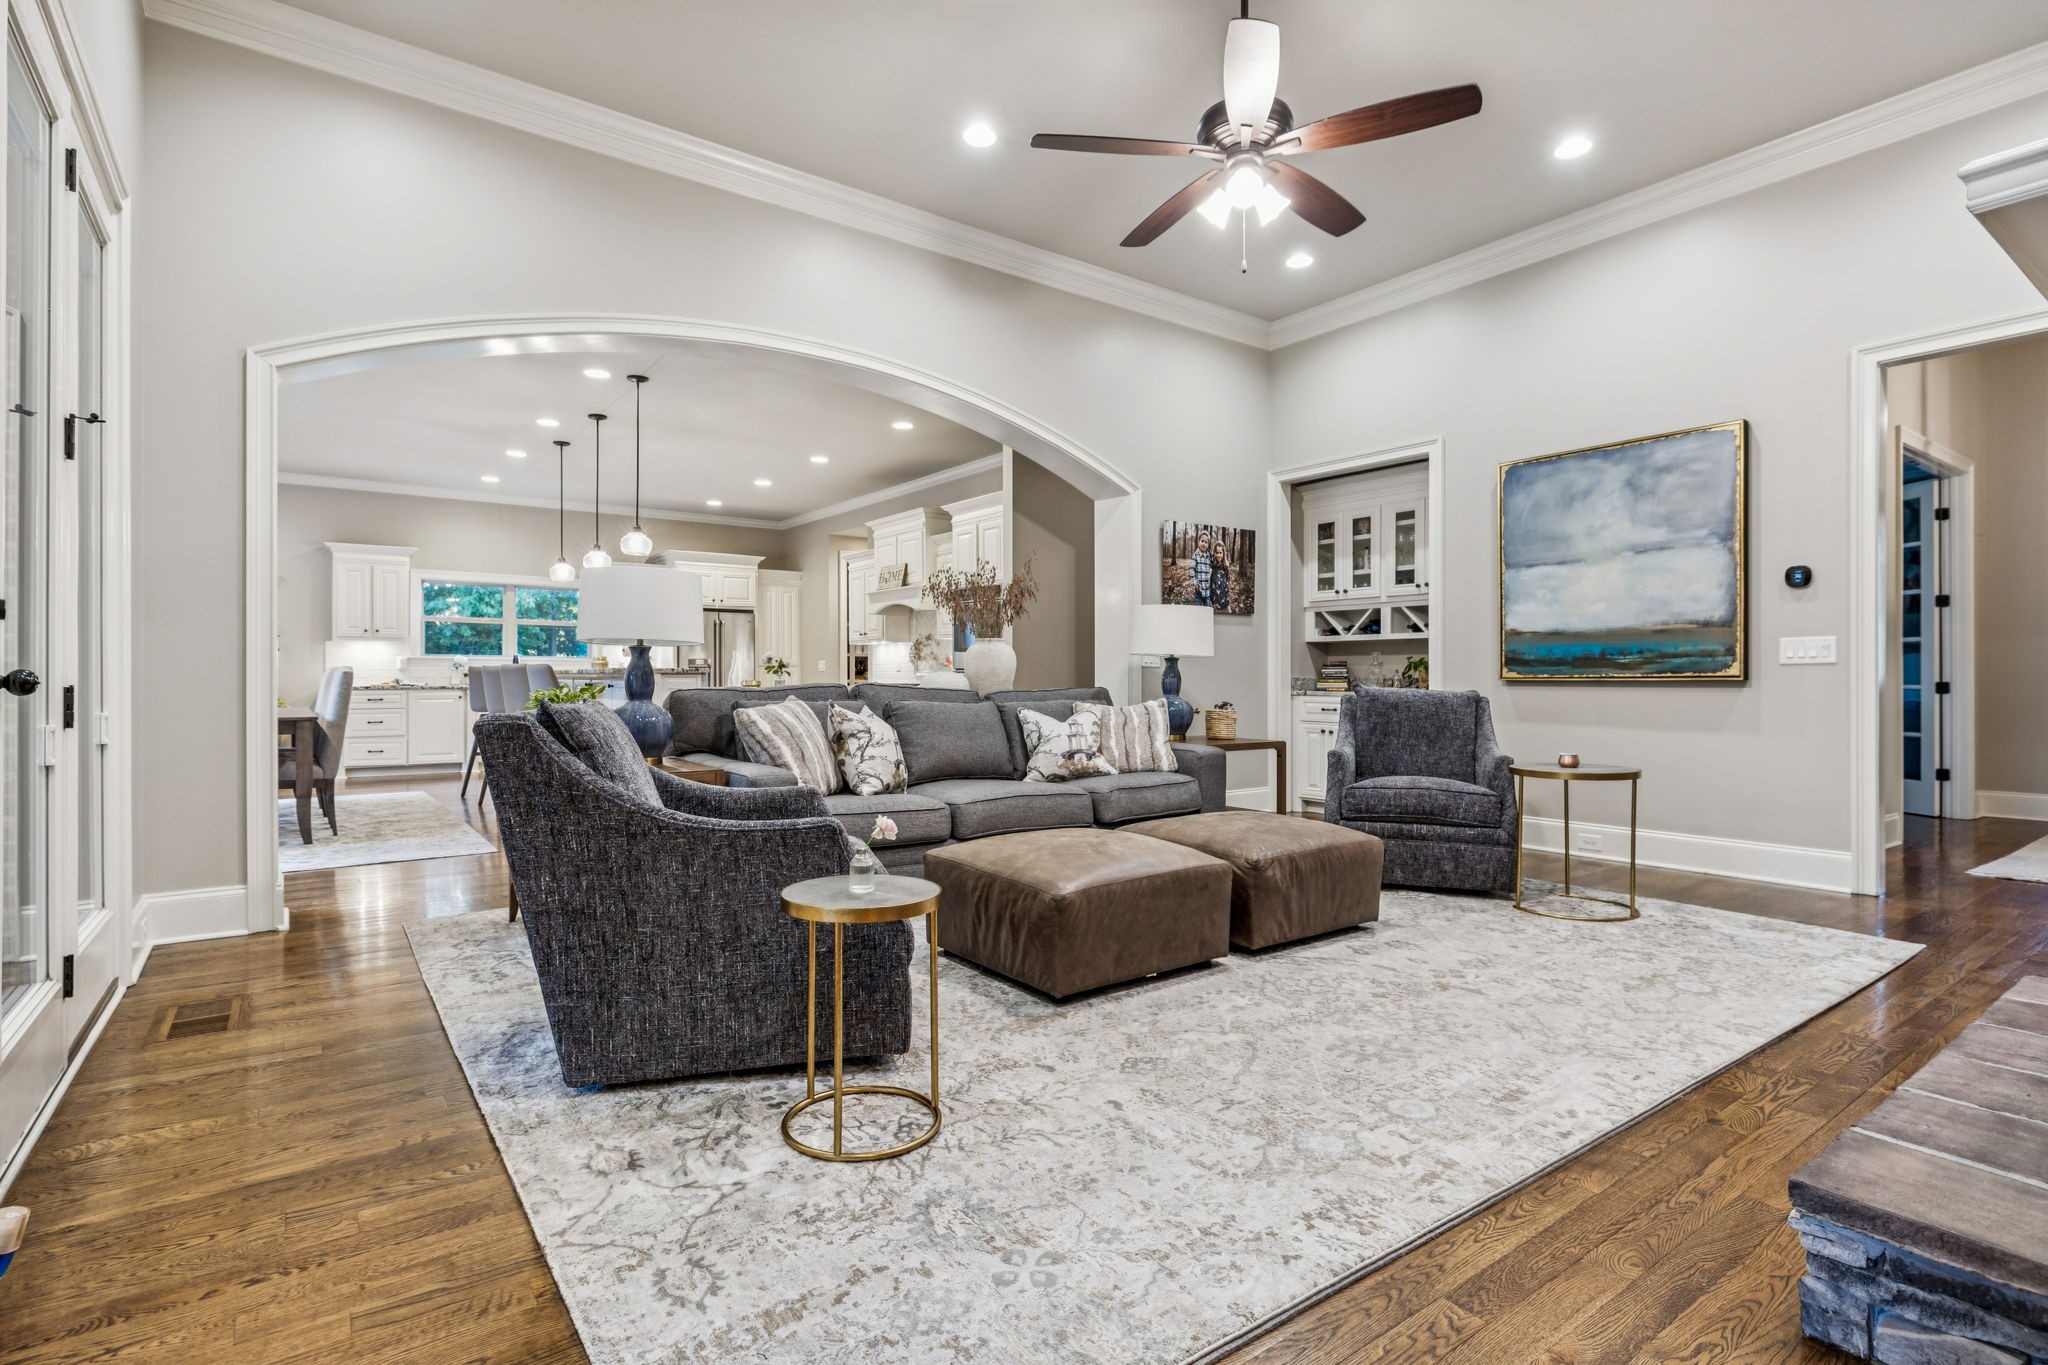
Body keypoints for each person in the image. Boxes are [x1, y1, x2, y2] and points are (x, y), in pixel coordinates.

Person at [1188, 529, 1214, 606]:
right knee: (1198, 609)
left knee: (1207, 609)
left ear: (1208, 545)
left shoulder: (1209, 556)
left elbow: (1214, 563)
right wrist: (1195, 584)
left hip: (1207, 589)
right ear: (1199, 542)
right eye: (1202, 541)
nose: (1204, 544)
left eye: (1206, 542)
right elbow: (1192, 570)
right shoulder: (1195, 555)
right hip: (1199, 589)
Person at [1210, 540, 1233, 614]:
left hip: (1224, 593)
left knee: (1228, 611)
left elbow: (1228, 577)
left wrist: (1228, 584)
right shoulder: (1212, 565)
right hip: (1215, 595)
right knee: (1216, 613)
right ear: (1214, 553)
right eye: (1217, 553)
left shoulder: (1225, 566)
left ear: (1223, 553)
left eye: (1220, 553)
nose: (1219, 555)